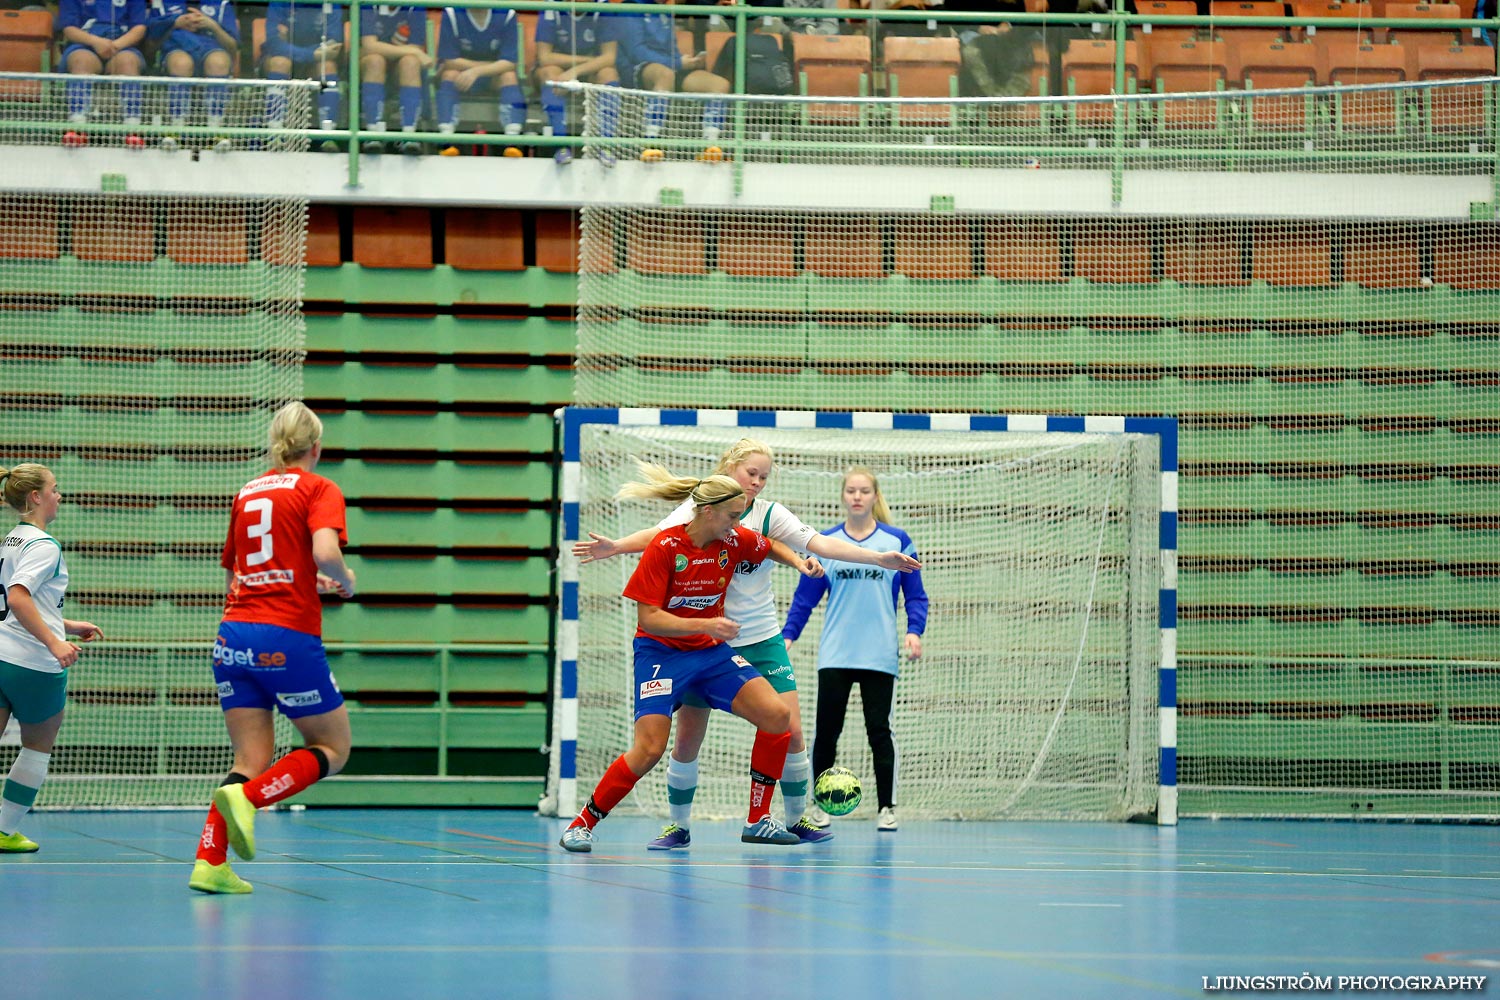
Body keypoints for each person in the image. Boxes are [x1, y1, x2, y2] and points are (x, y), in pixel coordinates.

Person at [573, 438, 921, 849]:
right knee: (682, 741)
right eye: (750, 474)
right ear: (729, 470)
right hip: (698, 639)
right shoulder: (703, 513)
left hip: (755, 637)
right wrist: (616, 546)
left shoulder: (761, 517)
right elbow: (658, 536)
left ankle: (785, 820)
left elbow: (812, 544)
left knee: (788, 727)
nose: (756, 483)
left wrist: (873, 557)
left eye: (763, 477)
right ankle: (677, 825)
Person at [560, 464, 813, 853]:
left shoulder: (732, 539)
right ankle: (583, 823)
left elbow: (767, 545)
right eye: (732, 515)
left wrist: (798, 561)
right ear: (708, 512)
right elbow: (650, 618)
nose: (738, 523)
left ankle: (757, 820)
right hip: (661, 654)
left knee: (778, 716)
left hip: (709, 654)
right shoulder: (665, 548)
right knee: (650, 748)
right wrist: (708, 624)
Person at [188, 402, 357, 894]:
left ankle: (209, 863)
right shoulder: (318, 487)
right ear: (317, 446)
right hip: (285, 636)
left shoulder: (247, 491)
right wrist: (344, 581)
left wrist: (308, 584)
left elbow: (237, 573)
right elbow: (326, 552)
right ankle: (253, 799)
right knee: (333, 747)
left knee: (249, 758)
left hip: (234, 634)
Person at [782, 466, 928, 833]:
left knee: (879, 731)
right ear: (843, 496)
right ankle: (819, 806)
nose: (858, 496)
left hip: (880, 654)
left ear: (875, 496)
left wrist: (914, 631)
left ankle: (887, 808)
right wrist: (788, 635)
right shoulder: (827, 543)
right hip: (836, 654)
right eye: (851, 491)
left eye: (864, 491)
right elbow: (805, 597)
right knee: (827, 731)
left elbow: (916, 594)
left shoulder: (897, 540)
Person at [0, 464, 103, 853]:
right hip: (31, 663)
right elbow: (18, 598)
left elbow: (23, 604)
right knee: (37, 746)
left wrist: (68, 626)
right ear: (36, 498)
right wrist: (55, 644)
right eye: (55, 489)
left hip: (1, 652)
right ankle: (5, 830)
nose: (60, 495)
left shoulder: (11, 539)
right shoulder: (44, 545)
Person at [611, 0, 730, 141]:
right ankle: (651, 141)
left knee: (719, 84)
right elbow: (636, 52)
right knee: (665, 75)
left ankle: (710, 143)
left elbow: (671, 50)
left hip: (671, 67)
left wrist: (688, 61)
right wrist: (678, 63)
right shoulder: (630, 7)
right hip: (636, 69)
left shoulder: (666, 9)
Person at [533, 1, 621, 164]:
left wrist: (575, 71)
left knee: (609, 73)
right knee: (551, 73)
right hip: (559, 68)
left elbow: (609, 57)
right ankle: (561, 145)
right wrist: (583, 63)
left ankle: (606, 144)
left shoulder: (603, 6)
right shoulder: (552, 7)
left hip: (587, 70)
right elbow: (545, 57)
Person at [435, 5, 528, 151]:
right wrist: (476, 70)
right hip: (462, 76)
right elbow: (449, 60)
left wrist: (477, 72)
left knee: (508, 76)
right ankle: (446, 139)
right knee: (449, 74)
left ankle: (512, 140)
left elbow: (510, 63)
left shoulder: (507, 14)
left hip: (491, 76)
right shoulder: (452, 13)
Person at [148, 0, 239, 141]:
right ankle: (176, 128)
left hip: (210, 51)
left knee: (218, 62)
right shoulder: (161, 3)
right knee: (181, 63)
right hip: (175, 51)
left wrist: (213, 26)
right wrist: (174, 23)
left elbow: (233, 48)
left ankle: (216, 129)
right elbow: (149, 45)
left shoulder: (221, 3)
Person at [56, 0, 148, 133]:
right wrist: (96, 42)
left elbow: (139, 28)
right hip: (84, 44)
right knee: (81, 61)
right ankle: (77, 124)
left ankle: (132, 125)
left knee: (127, 62)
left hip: (121, 45)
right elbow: (69, 29)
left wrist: (115, 46)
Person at [260, 0, 345, 131]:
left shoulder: (332, 3)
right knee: (280, 63)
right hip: (289, 57)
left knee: (327, 66)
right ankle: (274, 130)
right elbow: (274, 44)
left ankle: (329, 131)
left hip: (314, 61)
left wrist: (308, 54)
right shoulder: (279, 2)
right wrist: (312, 54)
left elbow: (333, 45)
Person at [357, 3, 431, 152]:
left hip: (400, 68)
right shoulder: (368, 5)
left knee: (411, 62)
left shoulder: (415, 7)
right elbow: (369, 46)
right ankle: (373, 132)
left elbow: (414, 50)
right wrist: (412, 52)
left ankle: (409, 134)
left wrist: (412, 52)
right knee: (375, 60)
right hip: (369, 66)